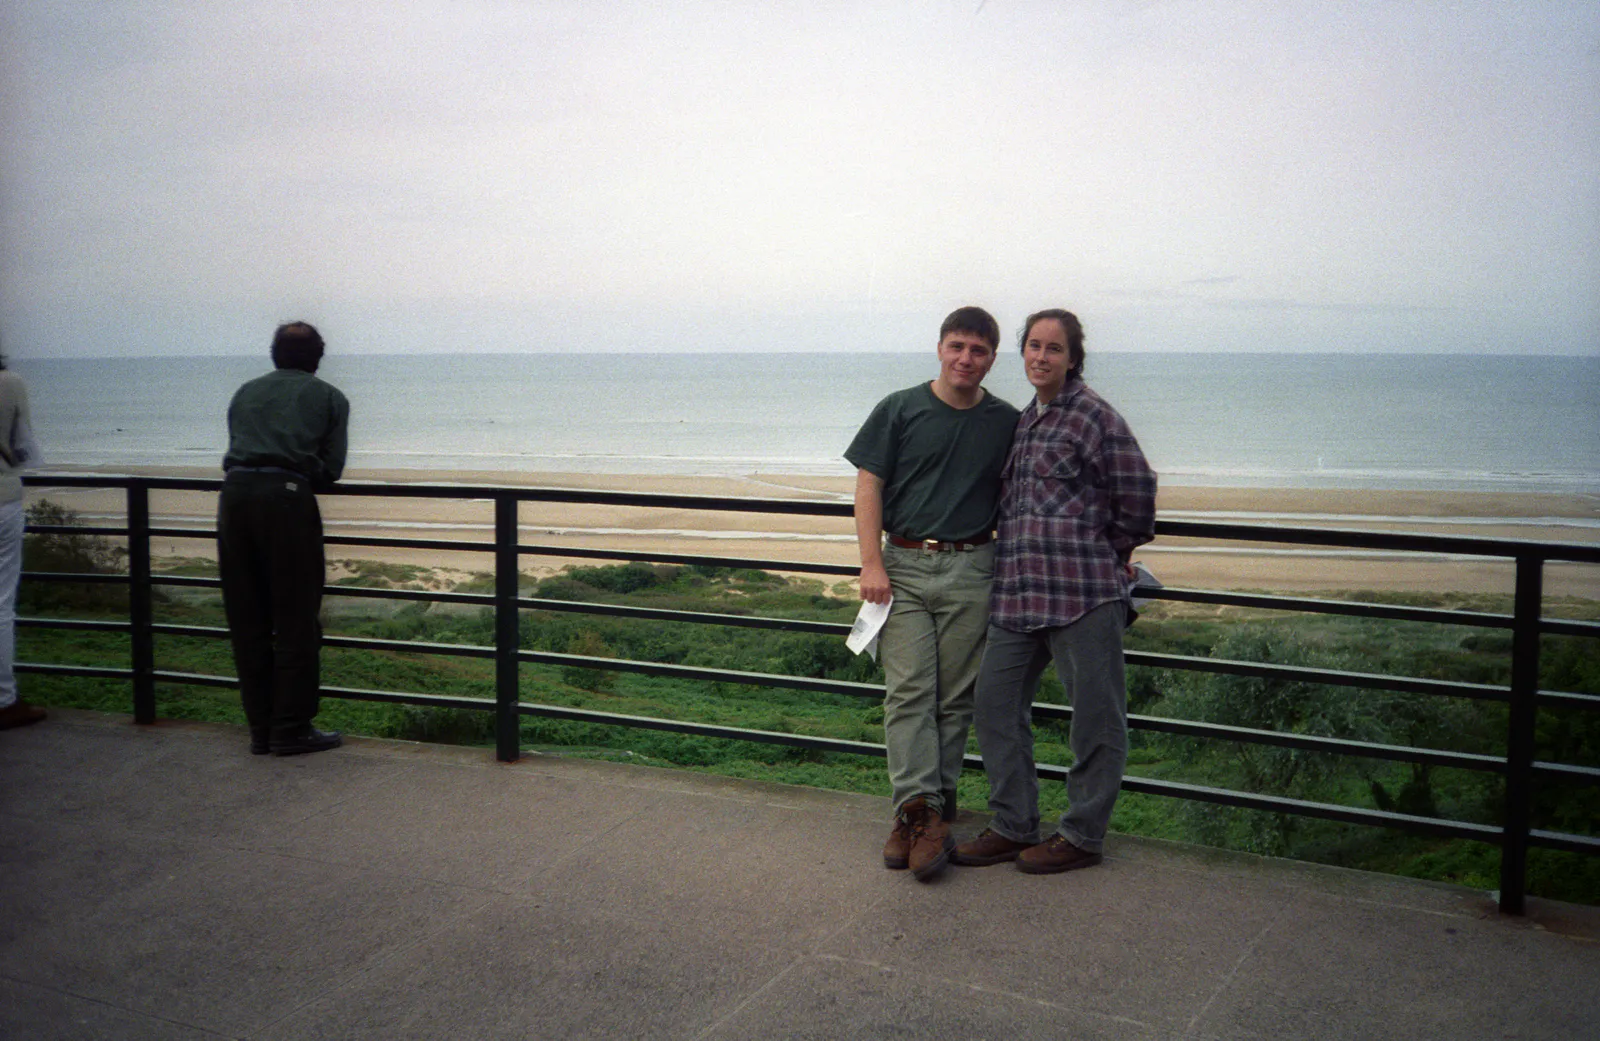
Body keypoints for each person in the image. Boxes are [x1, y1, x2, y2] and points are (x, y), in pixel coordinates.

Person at [953, 309, 1156, 874]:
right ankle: (1014, 824)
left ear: (1073, 358)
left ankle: (1082, 835)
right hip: (1019, 595)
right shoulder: (1027, 420)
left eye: (1054, 349)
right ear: (1022, 354)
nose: (1041, 357)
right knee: (993, 705)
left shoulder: (1094, 417)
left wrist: (1110, 551)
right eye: (1033, 347)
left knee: (1095, 717)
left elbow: (1138, 491)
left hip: (1083, 595)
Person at [845, 306, 1020, 880]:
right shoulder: (899, 408)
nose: (966, 358)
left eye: (978, 350)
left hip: (974, 565)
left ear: (993, 358)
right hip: (904, 566)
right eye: (957, 346)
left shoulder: (1007, 421)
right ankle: (915, 809)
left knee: (954, 701)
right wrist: (871, 561)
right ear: (940, 348)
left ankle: (927, 816)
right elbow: (868, 482)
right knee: (909, 691)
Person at [218, 321, 349, 756]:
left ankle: (260, 728)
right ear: (317, 358)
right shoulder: (329, 397)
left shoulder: (244, 392)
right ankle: (290, 727)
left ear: (274, 355)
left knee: (247, 618)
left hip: (235, 499)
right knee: (295, 618)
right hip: (286, 502)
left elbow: (232, 451)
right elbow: (329, 470)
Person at [0, 357, 46, 730]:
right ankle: (3, 699)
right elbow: (23, 444)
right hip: (1, 499)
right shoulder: (10, 383)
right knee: (0, 604)